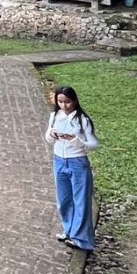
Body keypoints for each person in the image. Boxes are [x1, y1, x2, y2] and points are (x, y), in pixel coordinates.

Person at [44, 86, 99, 251]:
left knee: (81, 200)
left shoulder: (82, 120)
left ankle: (80, 238)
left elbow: (94, 144)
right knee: (64, 200)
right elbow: (47, 138)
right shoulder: (55, 116)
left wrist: (76, 140)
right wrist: (52, 134)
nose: (64, 105)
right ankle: (68, 230)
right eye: (60, 102)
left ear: (74, 101)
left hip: (77, 161)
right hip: (59, 161)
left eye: (67, 102)